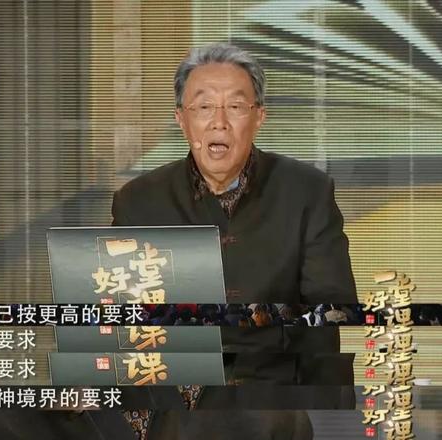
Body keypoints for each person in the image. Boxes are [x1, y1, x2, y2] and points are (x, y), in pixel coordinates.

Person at [110, 42, 357, 439]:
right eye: (204, 106)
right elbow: (117, 317)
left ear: (259, 116)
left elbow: (329, 310)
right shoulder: (139, 201)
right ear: (181, 119)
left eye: (236, 106)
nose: (219, 122)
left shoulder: (306, 192)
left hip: (270, 395)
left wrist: (328, 412)